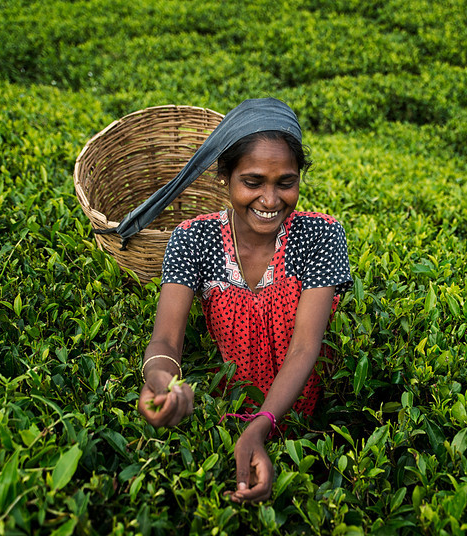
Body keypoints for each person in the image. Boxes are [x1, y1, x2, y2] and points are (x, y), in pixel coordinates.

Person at [136, 98, 353, 504]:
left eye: (285, 182)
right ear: (224, 176)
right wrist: (161, 381)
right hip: (230, 409)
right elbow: (166, 339)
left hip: (303, 415)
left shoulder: (321, 236)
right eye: (252, 182)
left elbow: (306, 346)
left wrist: (263, 425)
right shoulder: (192, 239)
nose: (270, 200)